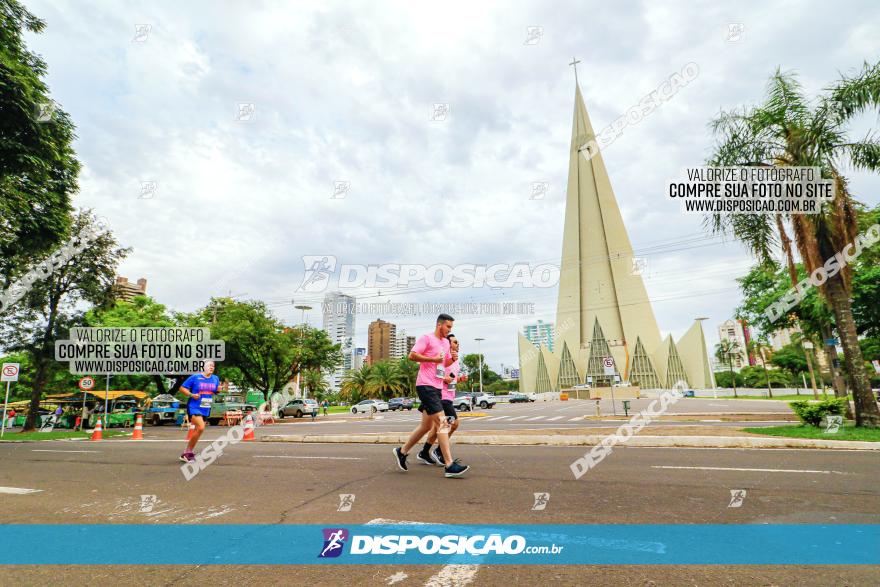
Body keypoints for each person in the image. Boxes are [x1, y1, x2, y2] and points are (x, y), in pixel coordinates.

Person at [392, 314, 469, 478]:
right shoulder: (426, 338)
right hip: (425, 385)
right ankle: (449, 465)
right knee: (443, 423)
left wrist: (451, 360)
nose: (449, 330)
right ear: (439, 324)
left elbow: (443, 364)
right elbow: (412, 355)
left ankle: (402, 451)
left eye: (451, 328)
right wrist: (432, 359)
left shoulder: (443, 343)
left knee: (426, 427)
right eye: (448, 327)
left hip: (437, 387)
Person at [420, 333, 468, 467]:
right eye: (455, 342)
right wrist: (444, 379)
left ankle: (424, 452)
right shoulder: (443, 356)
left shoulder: (455, 360)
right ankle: (439, 452)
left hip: (449, 397)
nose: (457, 344)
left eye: (458, 342)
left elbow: (451, 377)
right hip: (442, 396)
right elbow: (434, 374)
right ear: (448, 344)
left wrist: (459, 379)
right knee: (453, 423)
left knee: (436, 428)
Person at [178, 360, 220, 463]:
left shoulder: (215, 378)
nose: (212, 367)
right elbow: (182, 388)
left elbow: (215, 391)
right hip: (194, 406)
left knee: (199, 430)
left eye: (213, 366)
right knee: (201, 427)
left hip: (206, 407)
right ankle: (188, 452)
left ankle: (187, 452)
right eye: (209, 365)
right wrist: (192, 395)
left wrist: (219, 389)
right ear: (204, 366)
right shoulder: (195, 377)